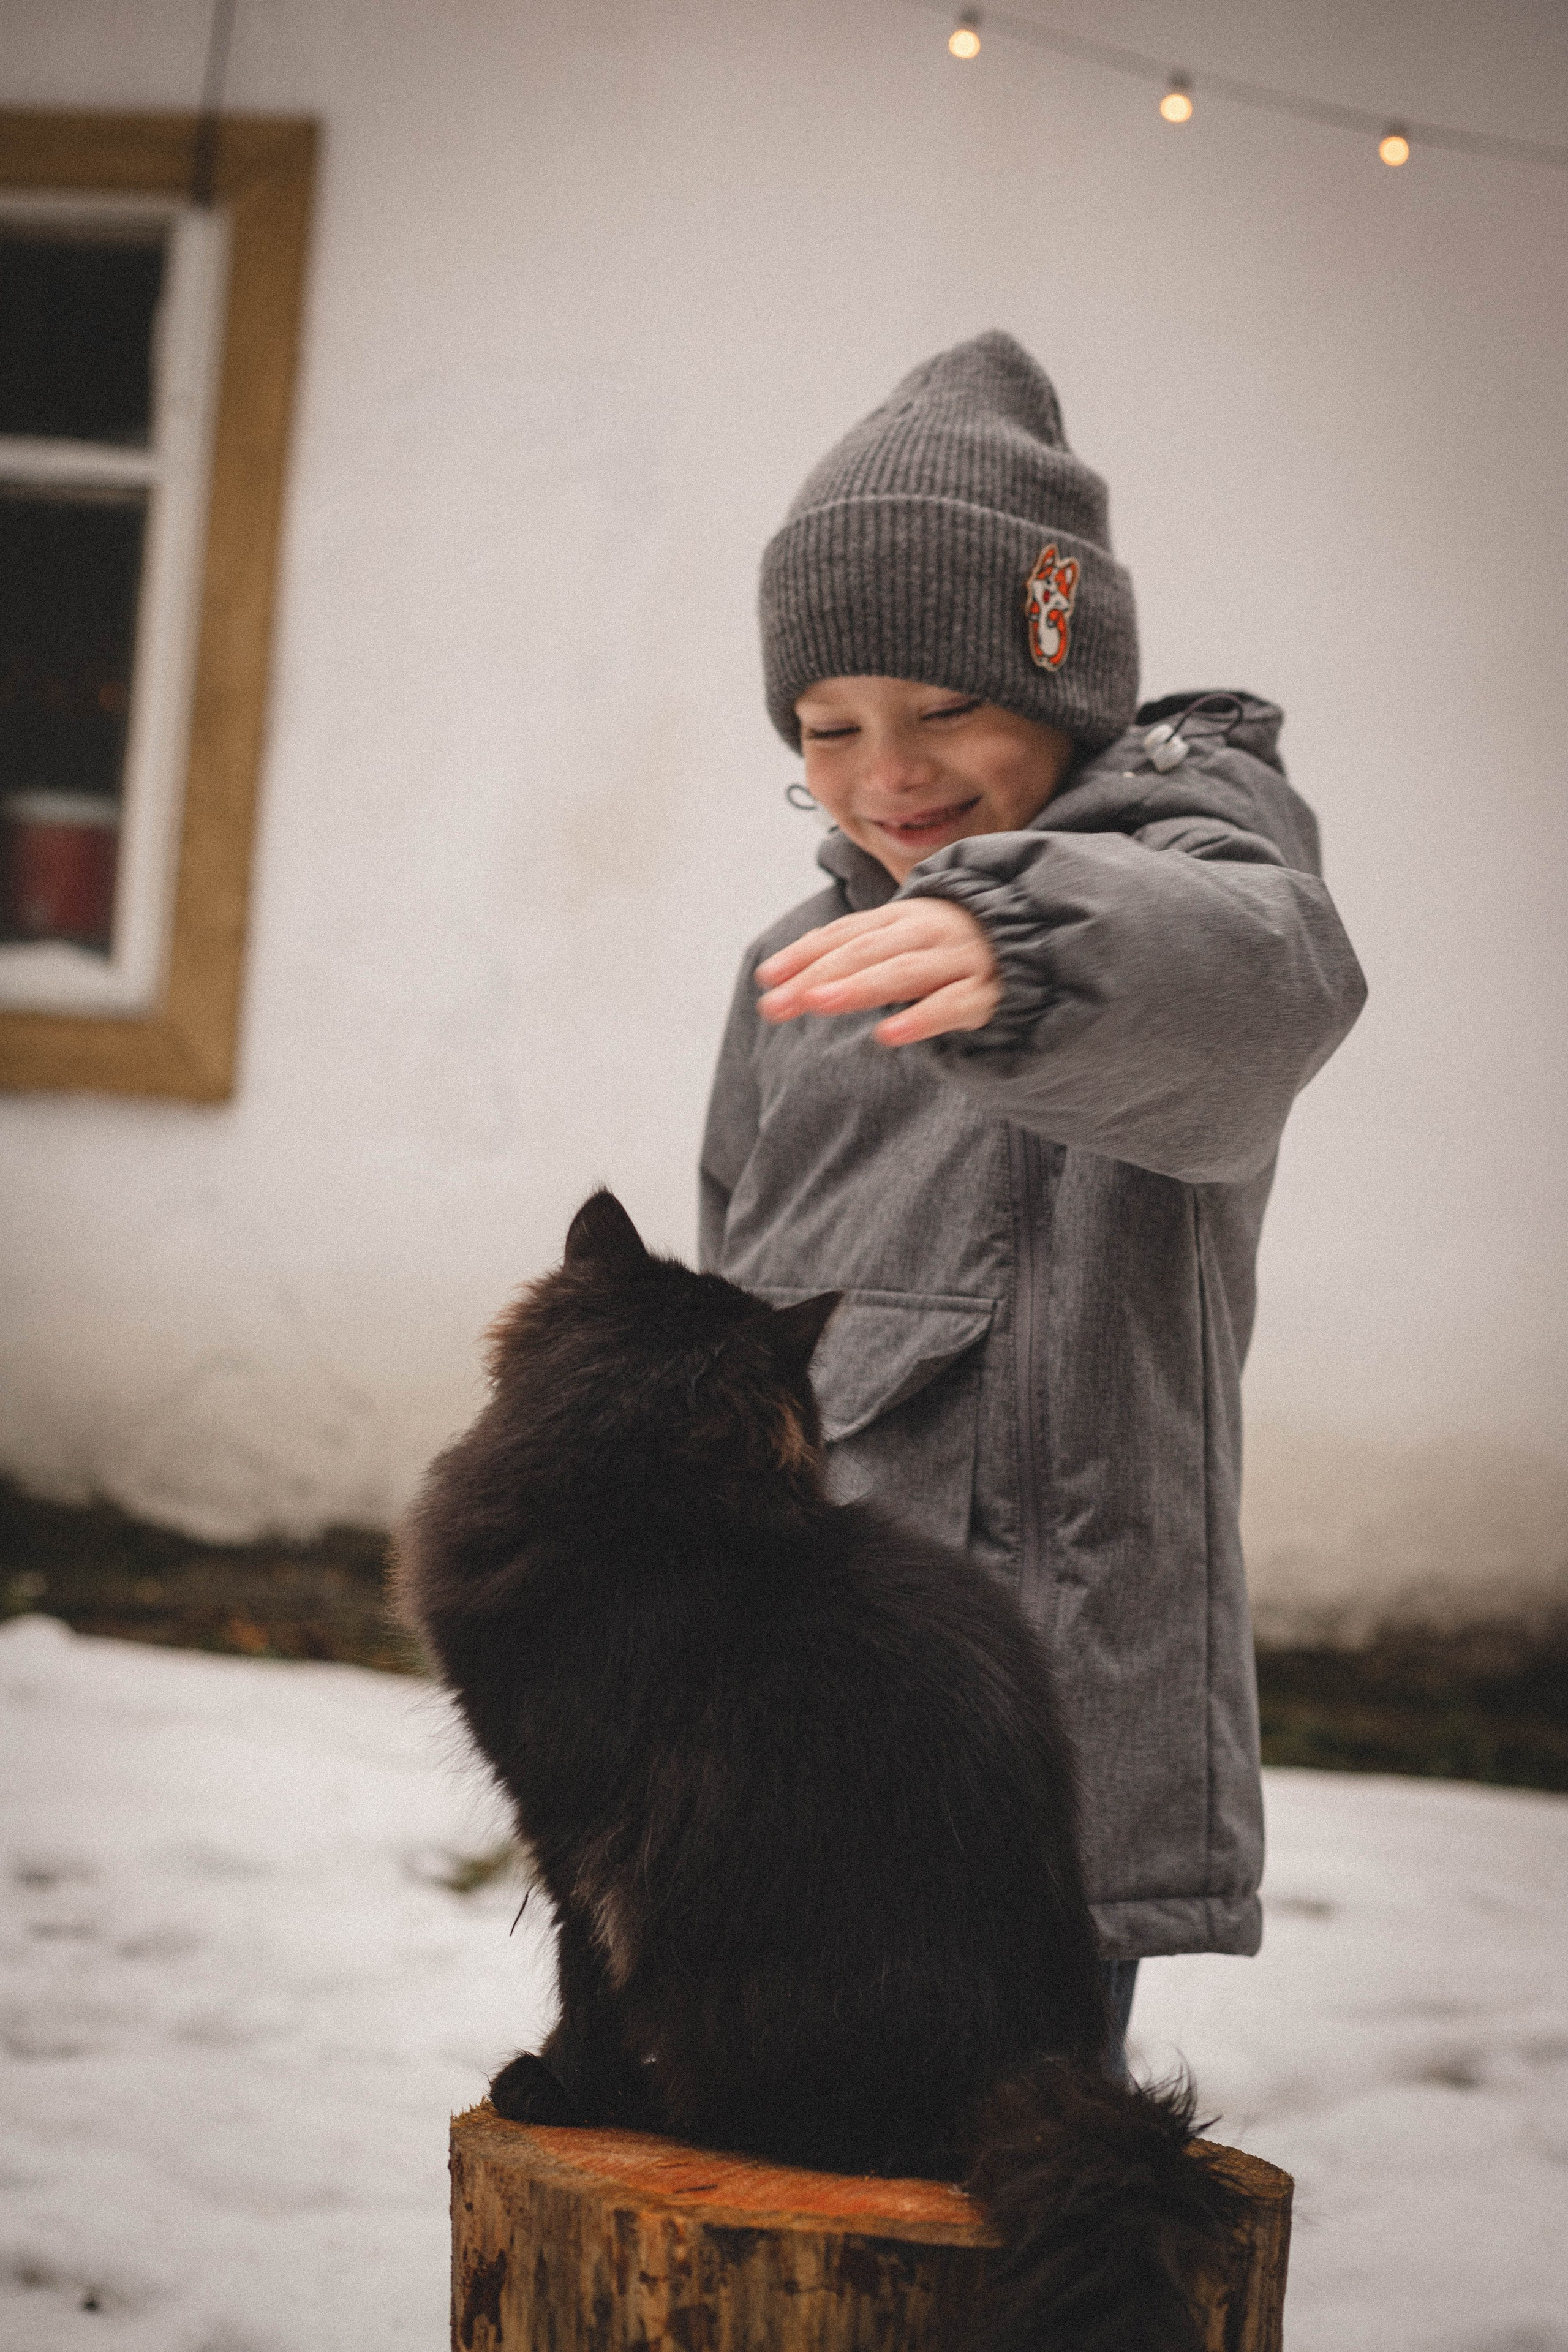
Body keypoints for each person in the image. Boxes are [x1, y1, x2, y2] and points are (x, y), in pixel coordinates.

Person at [698, 330, 1366, 2064]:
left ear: (1065, 689)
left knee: (993, 2235)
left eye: (944, 710)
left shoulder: (1194, 877)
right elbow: (726, 1323)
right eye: (827, 729)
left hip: (1035, 1759)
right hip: (795, 1737)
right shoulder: (793, 969)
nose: (883, 776)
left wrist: (1017, 945)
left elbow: (1267, 981)